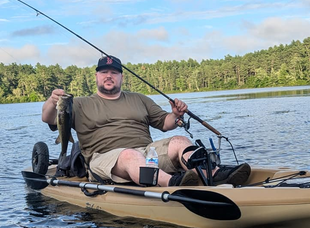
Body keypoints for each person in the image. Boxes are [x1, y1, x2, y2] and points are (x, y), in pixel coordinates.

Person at [42, 55, 250, 187]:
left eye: (114, 72)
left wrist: (176, 115)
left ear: (121, 77)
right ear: (96, 77)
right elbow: (48, 118)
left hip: (146, 152)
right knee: (129, 155)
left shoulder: (139, 99)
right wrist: (52, 101)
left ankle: (213, 175)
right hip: (103, 160)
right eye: (104, 72)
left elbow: (164, 123)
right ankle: (174, 183)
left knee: (179, 140)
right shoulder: (77, 104)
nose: (109, 76)